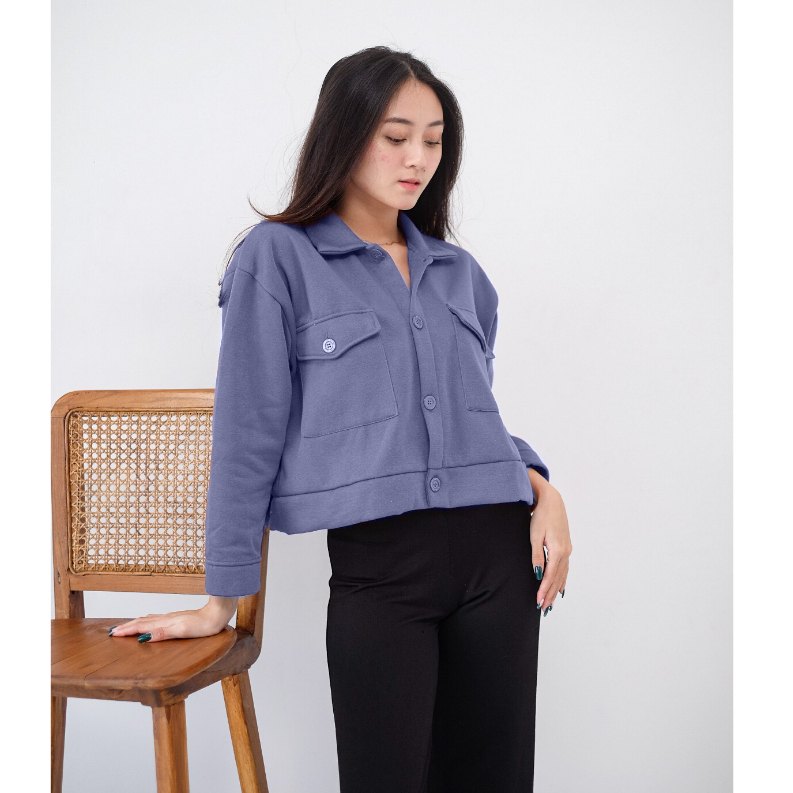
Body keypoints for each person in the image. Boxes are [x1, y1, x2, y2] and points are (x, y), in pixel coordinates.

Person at [110, 45, 572, 792]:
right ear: (346, 133)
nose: (417, 158)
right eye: (395, 136)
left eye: (433, 140)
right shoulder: (277, 259)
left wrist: (542, 486)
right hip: (379, 570)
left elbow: (469, 421)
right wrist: (221, 599)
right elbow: (247, 436)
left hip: (499, 560)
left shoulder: (461, 275)